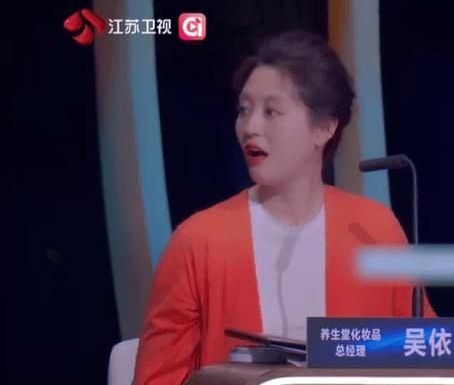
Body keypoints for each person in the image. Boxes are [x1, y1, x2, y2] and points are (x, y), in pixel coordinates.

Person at [134, 30, 435, 384]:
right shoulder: (198, 241)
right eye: (244, 110)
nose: (250, 127)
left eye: (271, 111)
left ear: (323, 128)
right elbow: (157, 378)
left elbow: (428, 354)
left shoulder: (374, 228)